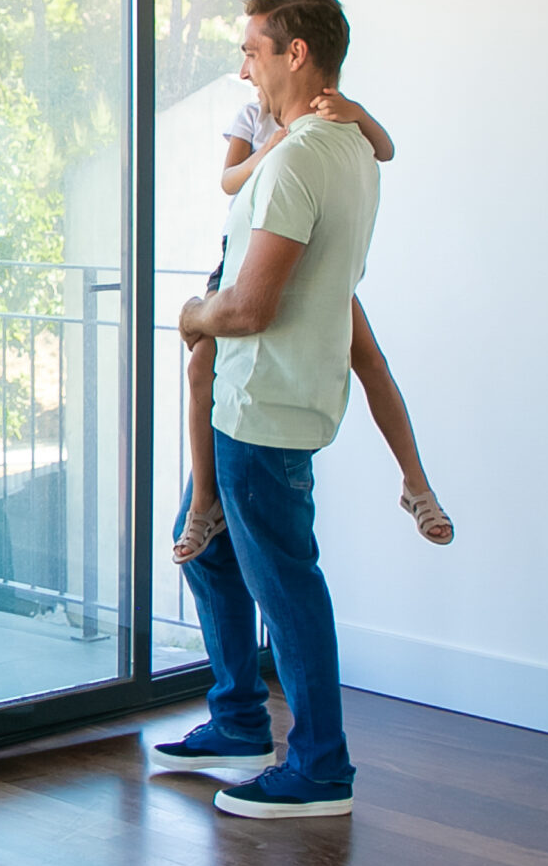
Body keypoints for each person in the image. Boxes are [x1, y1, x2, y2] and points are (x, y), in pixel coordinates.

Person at [154, 0, 378, 819]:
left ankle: (321, 766)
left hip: (263, 408)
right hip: (266, 402)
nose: (242, 63)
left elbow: (249, 306)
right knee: (210, 551)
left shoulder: (300, 158)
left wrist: (191, 314)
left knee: (287, 588)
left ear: (296, 53)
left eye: (253, 47)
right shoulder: (348, 145)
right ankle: (239, 720)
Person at [172, 91, 452, 561]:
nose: (249, 71)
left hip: (311, 262)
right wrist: (273, 148)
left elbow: (385, 149)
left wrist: (358, 114)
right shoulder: (252, 117)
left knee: (373, 365)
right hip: (244, 260)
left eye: (254, 55)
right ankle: (203, 505)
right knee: (201, 366)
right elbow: (229, 180)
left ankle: (417, 485)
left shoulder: (328, 116)